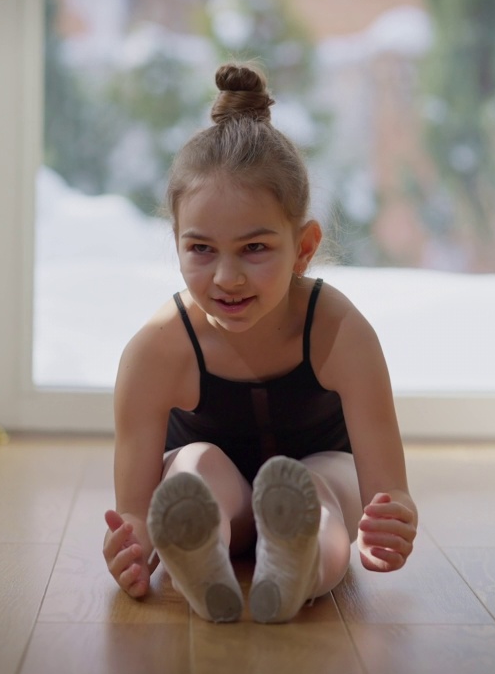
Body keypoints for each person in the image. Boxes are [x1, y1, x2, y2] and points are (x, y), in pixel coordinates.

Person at [102, 62, 418, 624]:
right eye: (201, 249)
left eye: (254, 249)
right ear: (176, 242)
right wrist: (131, 551)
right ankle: (199, 554)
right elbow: (133, 515)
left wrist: (390, 523)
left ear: (304, 246)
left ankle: (297, 566)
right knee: (195, 467)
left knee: (321, 488)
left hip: (315, 476)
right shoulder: (156, 350)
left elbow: (386, 492)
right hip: (217, 493)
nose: (227, 277)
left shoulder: (341, 332)